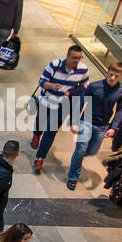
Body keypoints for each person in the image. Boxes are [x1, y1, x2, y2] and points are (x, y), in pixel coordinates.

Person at [32, 45, 89, 173]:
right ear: (67, 56)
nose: (77, 60)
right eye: (74, 57)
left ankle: (40, 158)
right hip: (47, 100)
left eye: (79, 58)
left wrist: (72, 92)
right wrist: (52, 85)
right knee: (40, 122)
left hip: (63, 105)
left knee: (50, 132)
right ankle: (36, 134)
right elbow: (42, 81)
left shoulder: (83, 69)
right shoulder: (55, 65)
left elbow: (85, 86)